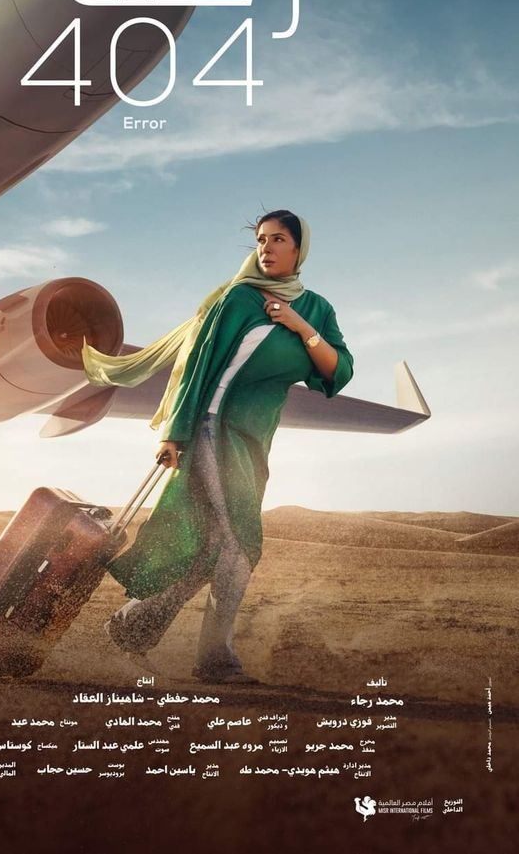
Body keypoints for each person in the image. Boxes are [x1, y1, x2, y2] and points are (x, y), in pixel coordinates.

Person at [82, 210, 353, 684]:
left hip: (253, 440)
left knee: (213, 549)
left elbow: (337, 370)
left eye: (278, 239)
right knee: (240, 542)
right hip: (211, 428)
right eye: (261, 240)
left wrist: (296, 324)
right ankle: (216, 659)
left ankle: (133, 625)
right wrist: (175, 431)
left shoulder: (316, 309)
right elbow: (198, 369)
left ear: (299, 248)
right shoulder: (238, 300)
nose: (266, 248)